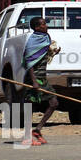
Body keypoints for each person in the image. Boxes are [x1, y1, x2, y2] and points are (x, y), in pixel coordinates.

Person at [20, 16, 61, 146]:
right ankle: (27, 137)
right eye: (43, 24)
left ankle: (37, 130)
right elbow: (29, 62)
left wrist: (53, 52)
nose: (46, 26)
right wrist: (34, 82)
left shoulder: (44, 38)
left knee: (54, 103)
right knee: (29, 106)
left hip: (43, 78)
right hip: (33, 78)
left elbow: (43, 55)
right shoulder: (33, 41)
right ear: (37, 28)